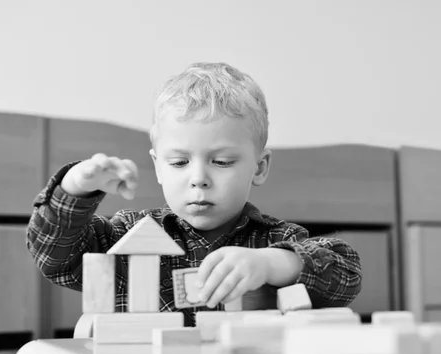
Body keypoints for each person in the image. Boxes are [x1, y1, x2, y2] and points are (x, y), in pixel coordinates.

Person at [26, 62, 362, 326]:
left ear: (259, 168)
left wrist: (274, 264)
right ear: (158, 167)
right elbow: (56, 257)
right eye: (179, 162)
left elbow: (345, 274)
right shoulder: (129, 235)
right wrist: (74, 187)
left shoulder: (273, 240)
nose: (198, 179)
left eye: (221, 161)